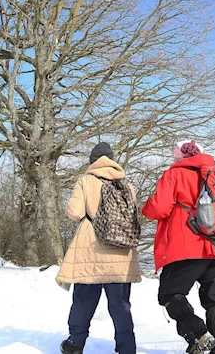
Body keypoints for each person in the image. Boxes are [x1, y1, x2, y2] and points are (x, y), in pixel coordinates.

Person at [142, 140, 215, 354]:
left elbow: (159, 208)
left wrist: (143, 209)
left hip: (186, 247)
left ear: (182, 157)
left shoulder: (174, 174)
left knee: (170, 294)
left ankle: (198, 335)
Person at [56, 142, 141, 354]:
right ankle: (127, 348)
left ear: (92, 162)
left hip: (90, 251)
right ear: (112, 160)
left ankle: (75, 343)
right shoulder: (127, 185)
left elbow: (75, 212)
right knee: (121, 306)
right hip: (121, 253)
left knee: (83, 301)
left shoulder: (86, 180)